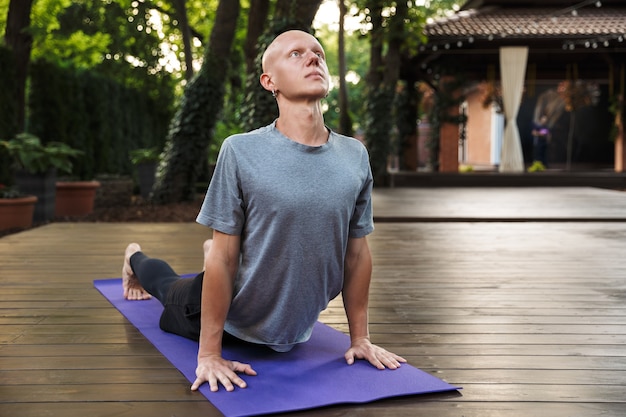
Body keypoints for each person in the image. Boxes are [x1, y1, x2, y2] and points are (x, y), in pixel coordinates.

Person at [122, 29, 406, 393]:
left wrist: (360, 338)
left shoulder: (355, 155)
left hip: (290, 327)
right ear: (268, 81)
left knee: (222, 255)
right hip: (225, 318)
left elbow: (356, 254)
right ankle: (134, 259)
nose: (313, 57)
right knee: (166, 285)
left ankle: (219, 256)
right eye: (295, 54)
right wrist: (209, 354)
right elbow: (225, 259)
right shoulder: (240, 151)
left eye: (317, 52)